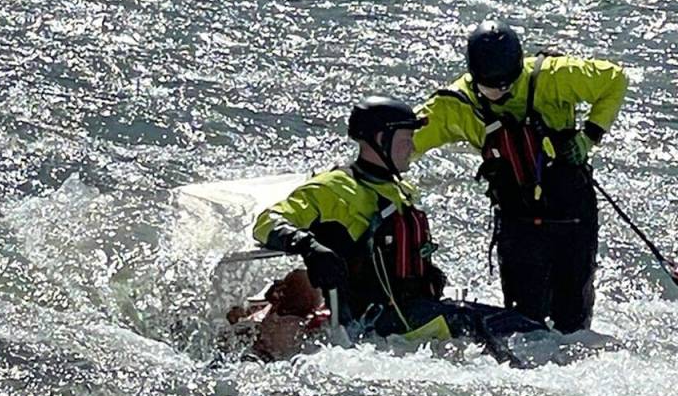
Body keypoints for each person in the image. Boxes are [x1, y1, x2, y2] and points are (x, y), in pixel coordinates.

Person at [251, 96, 544, 352]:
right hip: (381, 322)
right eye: (406, 139)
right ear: (380, 140)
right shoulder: (333, 188)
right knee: (512, 331)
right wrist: (310, 247)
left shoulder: (398, 189)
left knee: (525, 327)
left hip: (415, 311)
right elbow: (267, 222)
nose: (412, 147)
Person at [412, 20, 629, 333]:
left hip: (572, 214)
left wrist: (588, 137)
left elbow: (614, 79)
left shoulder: (552, 76)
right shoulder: (455, 104)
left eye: (509, 85)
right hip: (518, 219)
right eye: (492, 87)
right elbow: (406, 142)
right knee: (524, 322)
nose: (502, 93)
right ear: (474, 78)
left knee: (573, 322)